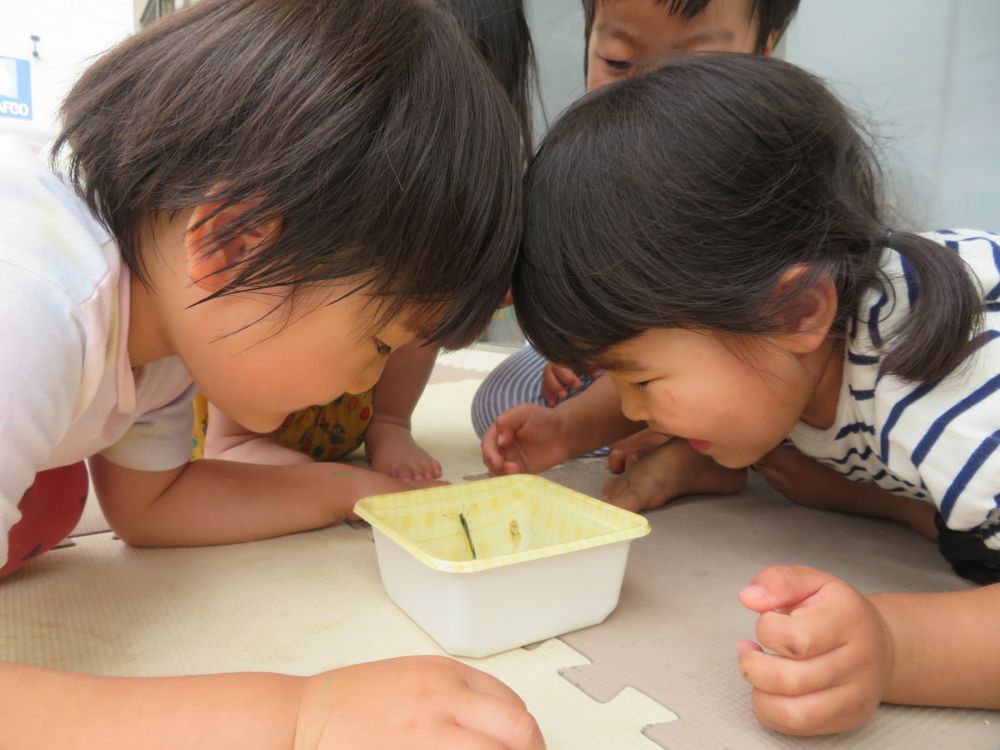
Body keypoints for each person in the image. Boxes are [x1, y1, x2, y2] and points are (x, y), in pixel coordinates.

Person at [0, 1, 543, 747]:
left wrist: (357, 493)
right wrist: (301, 719)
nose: (367, 378)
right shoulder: (32, 297)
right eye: (381, 342)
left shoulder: (163, 326)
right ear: (235, 245)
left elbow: (150, 507)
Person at [490, 53, 999, 734]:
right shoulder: (795, 341)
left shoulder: (952, 408)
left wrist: (895, 643)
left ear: (795, 313)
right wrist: (570, 430)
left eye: (641, 380)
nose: (632, 409)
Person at [195, 0, 538, 482]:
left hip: (347, 397)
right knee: (268, 286)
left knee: (427, 299)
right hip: (244, 374)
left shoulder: (474, 180)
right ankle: (240, 439)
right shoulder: (325, 131)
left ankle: (391, 422)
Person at [471, 0, 800, 467]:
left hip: (744, 360)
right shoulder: (594, 159)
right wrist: (578, 340)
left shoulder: (755, 165)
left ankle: (694, 448)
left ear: (762, 52)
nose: (650, 92)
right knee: (500, 401)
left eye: (694, 67)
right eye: (619, 62)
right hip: (634, 358)